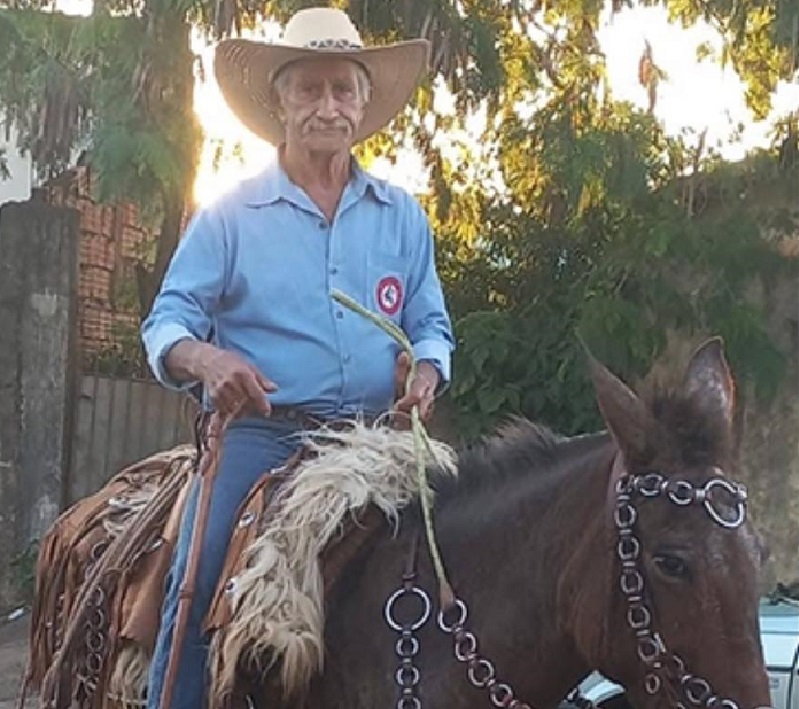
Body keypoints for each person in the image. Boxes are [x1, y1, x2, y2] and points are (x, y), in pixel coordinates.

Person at [140, 6, 455, 708]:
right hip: (265, 434)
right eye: (308, 89)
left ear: (363, 105)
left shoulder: (401, 215)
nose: (327, 106)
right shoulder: (230, 214)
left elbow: (430, 322)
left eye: (342, 89)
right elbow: (167, 322)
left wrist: (425, 371)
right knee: (200, 579)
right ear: (279, 101)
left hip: (377, 439)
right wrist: (208, 362)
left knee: (463, 560)